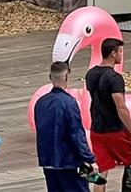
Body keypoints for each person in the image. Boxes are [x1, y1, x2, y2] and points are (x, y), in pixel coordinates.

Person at [85, 37, 131, 188]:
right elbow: (121, 107)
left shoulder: (90, 74)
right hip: (115, 130)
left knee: (101, 171)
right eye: (121, 51)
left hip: (97, 129)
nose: (122, 55)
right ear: (113, 53)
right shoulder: (115, 78)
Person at [34, 62, 97, 192]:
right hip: (68, 161)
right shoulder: (69, 103)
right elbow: (76, 134)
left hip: (48, 160)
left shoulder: (40, 102)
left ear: (50, 77)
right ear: (67, 77)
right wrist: (89, 158)